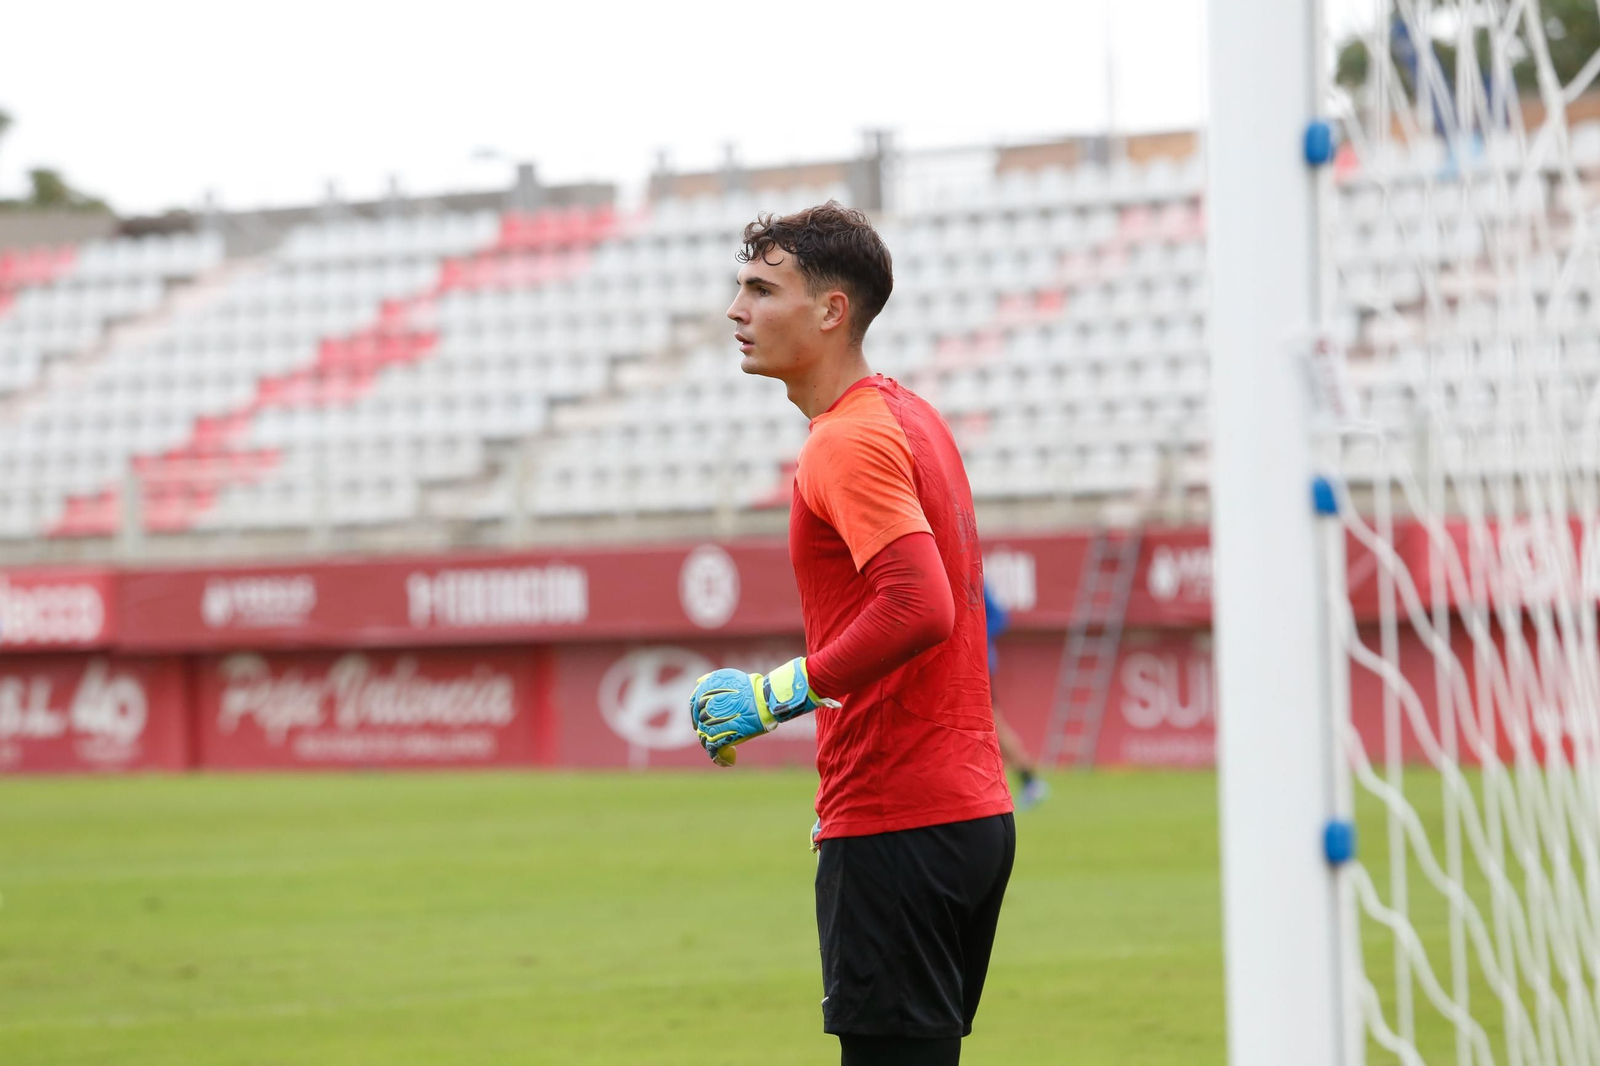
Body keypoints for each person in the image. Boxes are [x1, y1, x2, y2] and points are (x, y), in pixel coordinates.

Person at [688, 201, 1015, 1066]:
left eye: (762, 289)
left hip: (900, 820)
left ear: (832, 311)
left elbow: (919, 606)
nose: (737, 310)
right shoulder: (912, 417)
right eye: (740, 287)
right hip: (961, 813)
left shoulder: (844, 442)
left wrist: (775, 694)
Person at [983, 581, 1050, 810]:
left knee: (993, 726)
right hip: (962, 664)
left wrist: (973, 636)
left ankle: (1030, 781)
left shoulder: (971, 574)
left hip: (978, 665)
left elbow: (999, 617)